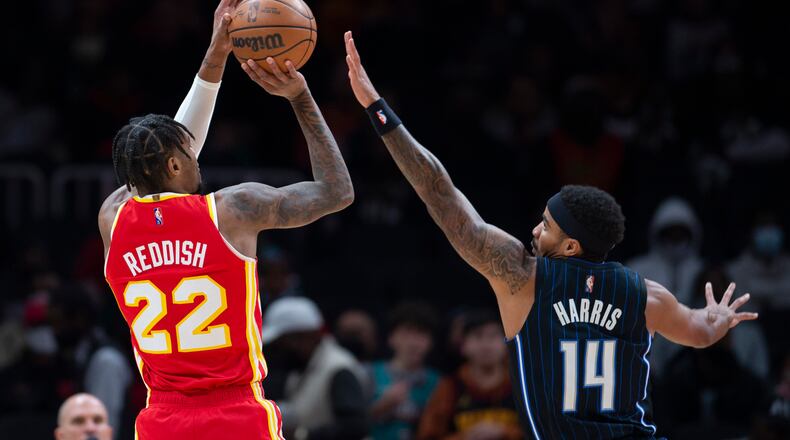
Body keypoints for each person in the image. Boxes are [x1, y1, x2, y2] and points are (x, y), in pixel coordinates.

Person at [344, 31, 757, 438]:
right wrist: (716, 319)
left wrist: (378, 110)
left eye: (547, 224)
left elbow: (440, 193)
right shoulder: (646, 295)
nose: (535, 229)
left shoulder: (521, 277)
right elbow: (699, 332)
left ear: (571, 245)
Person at [98, 0, 354, 438]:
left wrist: (216, 55)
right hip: (236, 414)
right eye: (188, 153)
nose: (198, 158)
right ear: (177, 165)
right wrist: (301, 97)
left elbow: (157, 167)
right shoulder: (233, 210)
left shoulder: (113, 217)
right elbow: (337, 192)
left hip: (161, 420)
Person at [262, 297, 368, 440]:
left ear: (306, 336)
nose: (278, 350)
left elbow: (355, 426)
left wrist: (302, 435)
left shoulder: (338, 368)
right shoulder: (302, 366)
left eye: (281, 342)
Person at [627, 197, 706, 378]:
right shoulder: (637, 269)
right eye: (670, 233)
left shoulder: (703, 271)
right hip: (646, 349)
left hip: (692, 354)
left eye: (680, 233)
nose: (675, 239)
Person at [416, 310, 522, 440]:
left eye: (494, 336)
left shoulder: (523, 384)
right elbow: (427, 435)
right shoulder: (450, 386)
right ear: (463, 346)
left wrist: (505, 431)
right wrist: (465, 437)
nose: (486, 345)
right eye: (478, 336)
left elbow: (544, 431)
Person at [369, 301, 439, 440]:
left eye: (421, 334)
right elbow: (350, 425)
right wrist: (380, 407)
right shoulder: (367, 374)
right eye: (406, 334)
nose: (414, 343)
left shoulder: (440, 383)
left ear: (431, 342)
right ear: (391, 338)